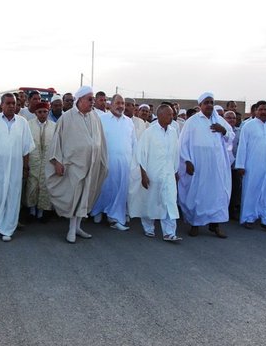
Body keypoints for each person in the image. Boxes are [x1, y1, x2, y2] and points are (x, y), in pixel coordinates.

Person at [46, 86, 108, 243]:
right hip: (73, 166)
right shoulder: (66, 118)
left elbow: (101, 140)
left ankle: (78, 227)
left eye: (93, 99)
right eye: (89, 99)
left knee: (85, 197)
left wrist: (102, 160)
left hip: (91, 165)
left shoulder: (94, 117)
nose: (92, 102)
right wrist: (57, 162)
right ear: (79, 100)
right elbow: (56, 142)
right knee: (75, 197)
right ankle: (71, 230)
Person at [0, 93, 35, 242]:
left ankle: (7, 228)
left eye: (13, 103)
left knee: (11, 196)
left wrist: (25, 168)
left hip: (15, 168)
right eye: (8, 103)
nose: (11, 106)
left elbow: (26, 148)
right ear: (1, 105)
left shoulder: (22, 123)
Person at [178, 92, 232, 238]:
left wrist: (224, 130)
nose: (209, 105)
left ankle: (215, 225)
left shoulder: (219, 120)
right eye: (206, 102)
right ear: (200, 105)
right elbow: (183, 143)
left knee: (217, 194)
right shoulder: (192, 121)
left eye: (211, 102)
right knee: (198, 194)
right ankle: (195, 224)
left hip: (216, 167)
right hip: (199, 165)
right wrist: (187, 161)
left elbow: (231, 137)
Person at [135, 104, 182, 241]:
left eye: (172, 114)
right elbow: (141, 154)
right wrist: (143, 175)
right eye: (169, 114)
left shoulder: (173, 132)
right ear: (160, 115)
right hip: (153, 174)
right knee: (151, 201)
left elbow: (175, 153)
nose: (172, 117)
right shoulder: (150, 132)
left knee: (169, 202)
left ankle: (169, 233)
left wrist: (175, 171)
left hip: (168, 174)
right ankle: (148, 227)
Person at [235, 100, 266, 232]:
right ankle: (248, 218)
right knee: (252, 190)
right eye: (260, 109)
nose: (263, 112)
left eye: (265, 109)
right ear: (256, 111)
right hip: (252, 164)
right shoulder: (248, 126)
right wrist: (240, 165)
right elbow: (242, 147)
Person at [91, 94, 135, 230]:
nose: (121, 106)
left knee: (120, 190)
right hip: (106, 161)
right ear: (111, 104)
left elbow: (133, 143)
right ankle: (98, 211)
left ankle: (114, 217)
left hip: (124, 162)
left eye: (123, 103)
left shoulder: (129, 122)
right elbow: (95, 140)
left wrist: (134, 162)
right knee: (104, 188)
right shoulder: (101, 119)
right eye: (118, 103)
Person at [25, 101, 55, 222]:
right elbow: (25, 144)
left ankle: (42, 212)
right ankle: (32, 211)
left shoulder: (54, 126)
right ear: (35, 113)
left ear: (48, 112)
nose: (42, 114)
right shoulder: (28, 125)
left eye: (45, 112)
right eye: (40, 112)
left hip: (48, 160)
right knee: (32, 184)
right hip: (33, 159)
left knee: (45, 184)